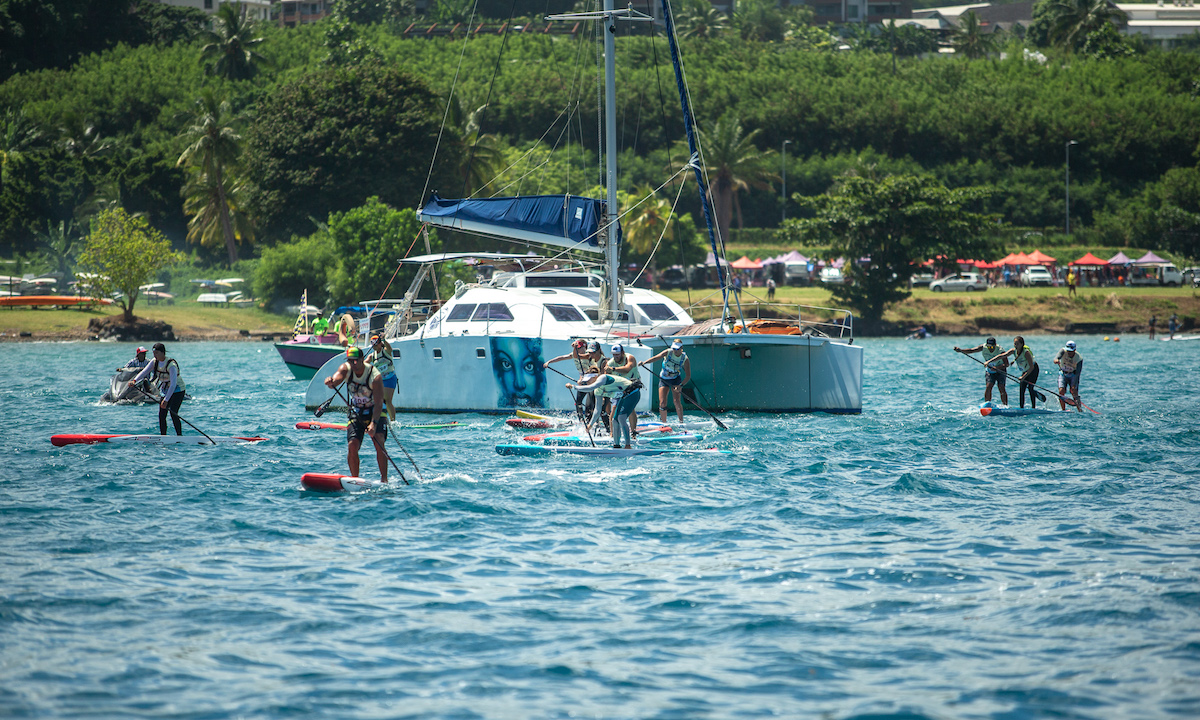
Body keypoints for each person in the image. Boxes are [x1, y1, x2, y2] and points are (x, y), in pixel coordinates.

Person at [324, 346, 389, 482]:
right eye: (350, 360)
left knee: (379, 442)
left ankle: (384, 479)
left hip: (375, 411)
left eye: (355, 361)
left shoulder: (374, 375)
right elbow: (337, 379)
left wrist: (373, 423)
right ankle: (355, 480)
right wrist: (331, 383)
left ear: (361, 360)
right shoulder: (346, 369)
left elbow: (378, 403)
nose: (352, 364)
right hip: (357, 411)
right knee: (352, 445)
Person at [566, 371, 642, 449]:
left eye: (589, 380)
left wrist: (573, 387)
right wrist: (590, 425)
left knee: (621, 418)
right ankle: (616, 446)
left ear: (595, 377)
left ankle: (628, 446)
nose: (587, 382)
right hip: (623, 396)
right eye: (586, 381)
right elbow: (597, 409)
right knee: (614, 420)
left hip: (633, 393)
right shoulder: (597, 391)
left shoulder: (603, 378)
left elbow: (590, 387)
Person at [133, 342, 186, 436]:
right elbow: (145, 371)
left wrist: (166, 400)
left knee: (174, 413)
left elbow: (173, 385)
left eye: (157, 353)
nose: (154, 355)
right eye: (154, 353)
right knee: (162, 415)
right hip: (165, 389)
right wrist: (134, 380)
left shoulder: (171, 365)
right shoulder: (154, 361)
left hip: (178, 390)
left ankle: (179, 436)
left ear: (163, 352)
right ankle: (163, 436)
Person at [545, 339, 596, 422]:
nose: (578, 350)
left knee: (589, 406)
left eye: (579, 348)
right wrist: (549, 362)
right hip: (583, 383)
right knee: (578, 402)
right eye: (577, 348)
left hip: (592, 383)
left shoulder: (589, 355)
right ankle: (581, 422)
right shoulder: (574, 354)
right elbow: (561, 358)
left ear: (585, 347)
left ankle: (591, 422)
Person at [645, 340, 691, 424]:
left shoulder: (685, 359)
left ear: (681, 348)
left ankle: (681, 422)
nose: (675, 351)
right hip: (664, 379)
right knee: (662, 402)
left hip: (676, 379)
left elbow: (688, 376)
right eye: (674, 348)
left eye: (677, 349)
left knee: (676, 401)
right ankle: (664, 423)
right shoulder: (668, 352)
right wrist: (645, 362)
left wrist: (680, 385)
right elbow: (656, 357)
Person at [954, 337, 1009, 405]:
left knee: (1001, 387)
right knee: (988, 386)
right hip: (990, 370)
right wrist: (961, 350)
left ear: (995, 345)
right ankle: (987, 404)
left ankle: (1005, 405)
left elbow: (1006, 364)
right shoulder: (983, 347)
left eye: (992, 347)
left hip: (1000, 370)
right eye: (988, 347)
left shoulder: (1000, 350)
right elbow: (972, 350)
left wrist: (997, 368)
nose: (990, 349)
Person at [606, 343, 642, 442]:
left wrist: (613, 369)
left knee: (630, 410)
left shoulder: (630, 358)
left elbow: (627, 369)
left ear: (622, 353)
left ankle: (633, 433)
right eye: (614, 354)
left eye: (617, 354)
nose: (616, 357)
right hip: (619, 388)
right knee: (614, 409)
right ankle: (612, 434)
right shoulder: (610, 363)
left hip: (632, 386)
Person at [996, 336, 1039, 409]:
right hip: (1026, 370)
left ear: (1022, 344)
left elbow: (1031, 367)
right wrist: (989, 361)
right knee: (1022, 389)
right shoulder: (1013, 351)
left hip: (1033, 370)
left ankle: (1033, 408)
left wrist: (1023, 377)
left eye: (1017, 344)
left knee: (1030, 388)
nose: (1015, 346)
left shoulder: (1026, 353)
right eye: (1014, 344)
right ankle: (1021, 408)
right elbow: (1002, 355)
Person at [365, 333, 397, 422]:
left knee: (387, 400)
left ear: (380, 343)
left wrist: (384, 340)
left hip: (390, 378)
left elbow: (389, 347)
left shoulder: (386, 351)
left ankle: (393, 421)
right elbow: (364, 363)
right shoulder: (372, 356)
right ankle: (378, 419)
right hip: (380, 380)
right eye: (372, 343)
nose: (374, 345)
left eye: (376, 343)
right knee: (376, 400)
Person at [1053, 340, 1083, 412]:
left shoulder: (1079, 358)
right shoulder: (1063, 351)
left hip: (1073, 374)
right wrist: (1056, 360)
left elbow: (1078, 373)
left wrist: (1073, 386)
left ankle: (1079, 409)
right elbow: (1056, 358)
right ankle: (1063, 410)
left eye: (1071, 351)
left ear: (1074, 350)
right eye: (1068, 351)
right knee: (1061, 391)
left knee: (1074, 392)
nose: (1069, 353)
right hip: (1063, 373)